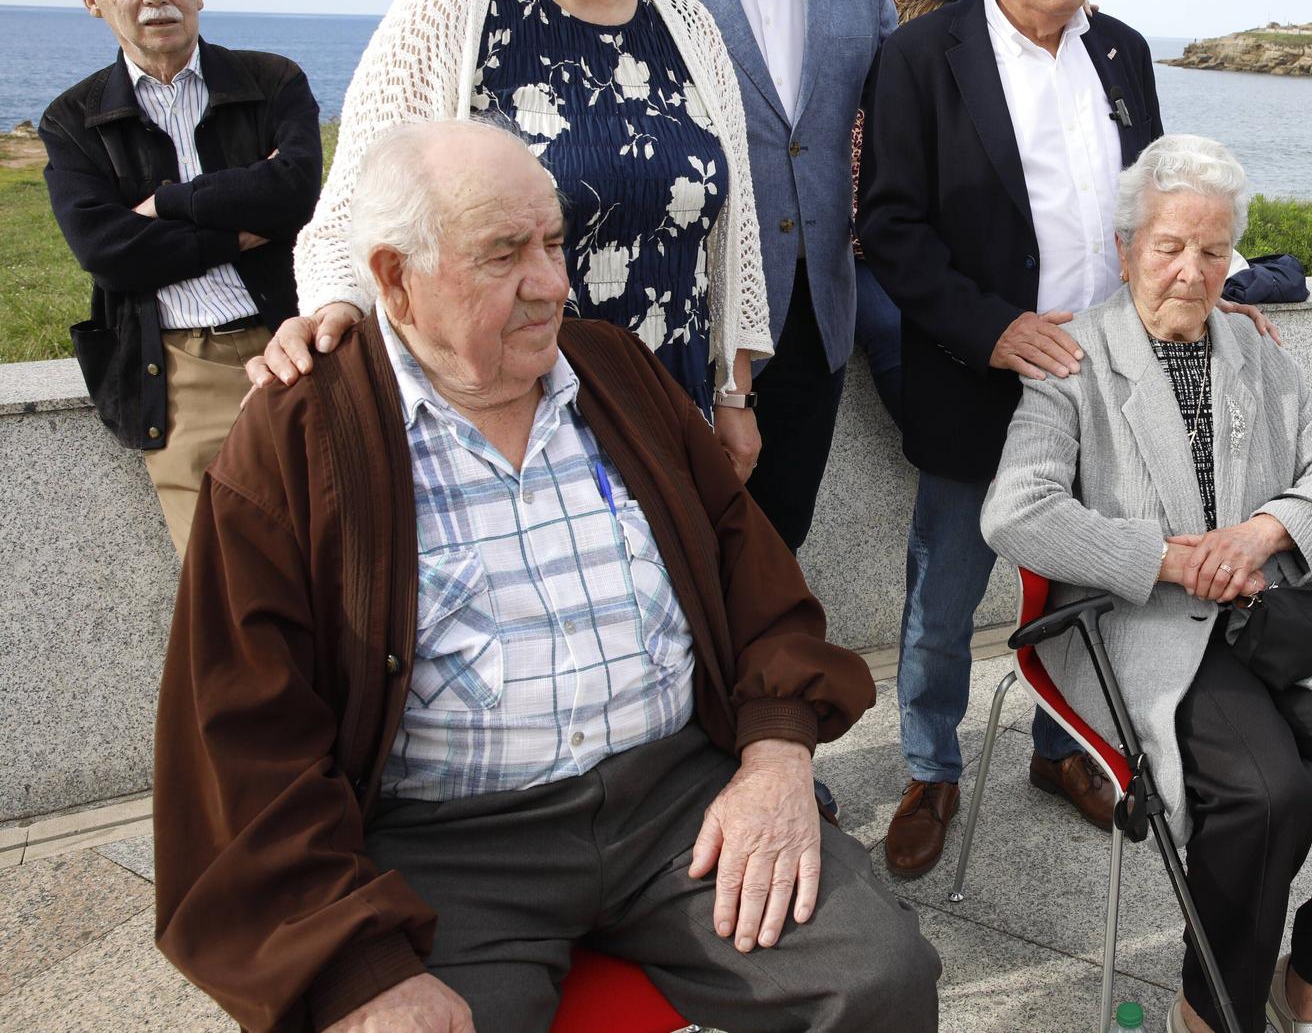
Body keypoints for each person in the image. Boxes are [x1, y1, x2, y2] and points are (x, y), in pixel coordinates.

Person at [153, 120, 939, 1033]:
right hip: (447, 846)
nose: (554, 282)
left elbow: (756, 585)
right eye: (504, 254)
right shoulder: (300, 434)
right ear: (395, 278)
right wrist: (357, 966)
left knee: (879, 979)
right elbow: (243, 737)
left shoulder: (616, 372)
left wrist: (774, 753)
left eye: (556, 242)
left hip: (677, 802)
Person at [859, 0, 1274, 877]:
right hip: (976, 373)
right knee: (944, 593)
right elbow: (892, 227)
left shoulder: (1124, 52)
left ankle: (1063, 749)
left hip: (1107, 382)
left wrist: (1211, 295)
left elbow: (1157, 215)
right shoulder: (919, 57)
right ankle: (928, 768)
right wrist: (992, 326)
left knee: (1087, 586)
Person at [407, 0, 896, 552]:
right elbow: (386, 186)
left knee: (762, 575)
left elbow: (896, 101)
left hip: (806, 323)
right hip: (563, 357)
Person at [982, 135, 1312, 1033]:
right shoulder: (1075, 360)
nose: (1192, 272)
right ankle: (1212, 1012)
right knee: (1270, 793)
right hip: (1141, 626)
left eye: (1214, 250)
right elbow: (1015, 512)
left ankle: (1307, 985)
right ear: (1125, 250)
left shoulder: (1253, 349)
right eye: (1170, 247)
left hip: (1267, 618)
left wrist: (1264, 530)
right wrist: (1166, 555)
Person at [257, 0, 769, 479]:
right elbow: (350, 216)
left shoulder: (689, 26)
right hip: (500, 434)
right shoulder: (444, 15)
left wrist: (733, 396)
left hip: (670, 419)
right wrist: (335, 307)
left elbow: (733, 232)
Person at [40, 0, 322, 556]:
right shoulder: (72, 118)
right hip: (176, 367)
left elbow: (295, 191)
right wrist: (239, 236)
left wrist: (165, 204)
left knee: (342, 562)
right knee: (226, 583)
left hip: (296, 340)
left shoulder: (271, 80)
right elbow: (107, 251)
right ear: (92, 0)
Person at [848, 0, 964, 426]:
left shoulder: (953, 107)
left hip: (922, 246)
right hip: (861, 256)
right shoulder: (860, 106)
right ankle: (932, 434)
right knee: (892, 329)